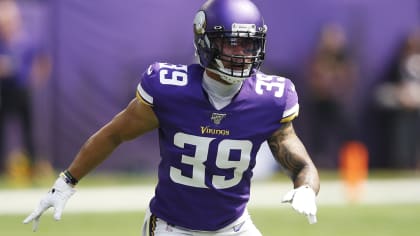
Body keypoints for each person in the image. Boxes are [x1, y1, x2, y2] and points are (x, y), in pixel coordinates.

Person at [23, 0, 320, 235]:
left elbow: (302, 164)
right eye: (232, 43)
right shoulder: (170, 90)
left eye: (249, 44)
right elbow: (114, 134)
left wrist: (305, 187)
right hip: (172, 228)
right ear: (206, 42)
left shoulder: (270, 98)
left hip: (234, 227)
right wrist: (66, 181)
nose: (242, 54)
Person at [0, 0, 51, 177]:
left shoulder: (27, 40)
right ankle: (3, 168)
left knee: (28, 128)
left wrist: (36, 76)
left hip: (22, 90)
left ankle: (34, 165)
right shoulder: (2, 42)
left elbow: (42, 61)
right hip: (4, 91)